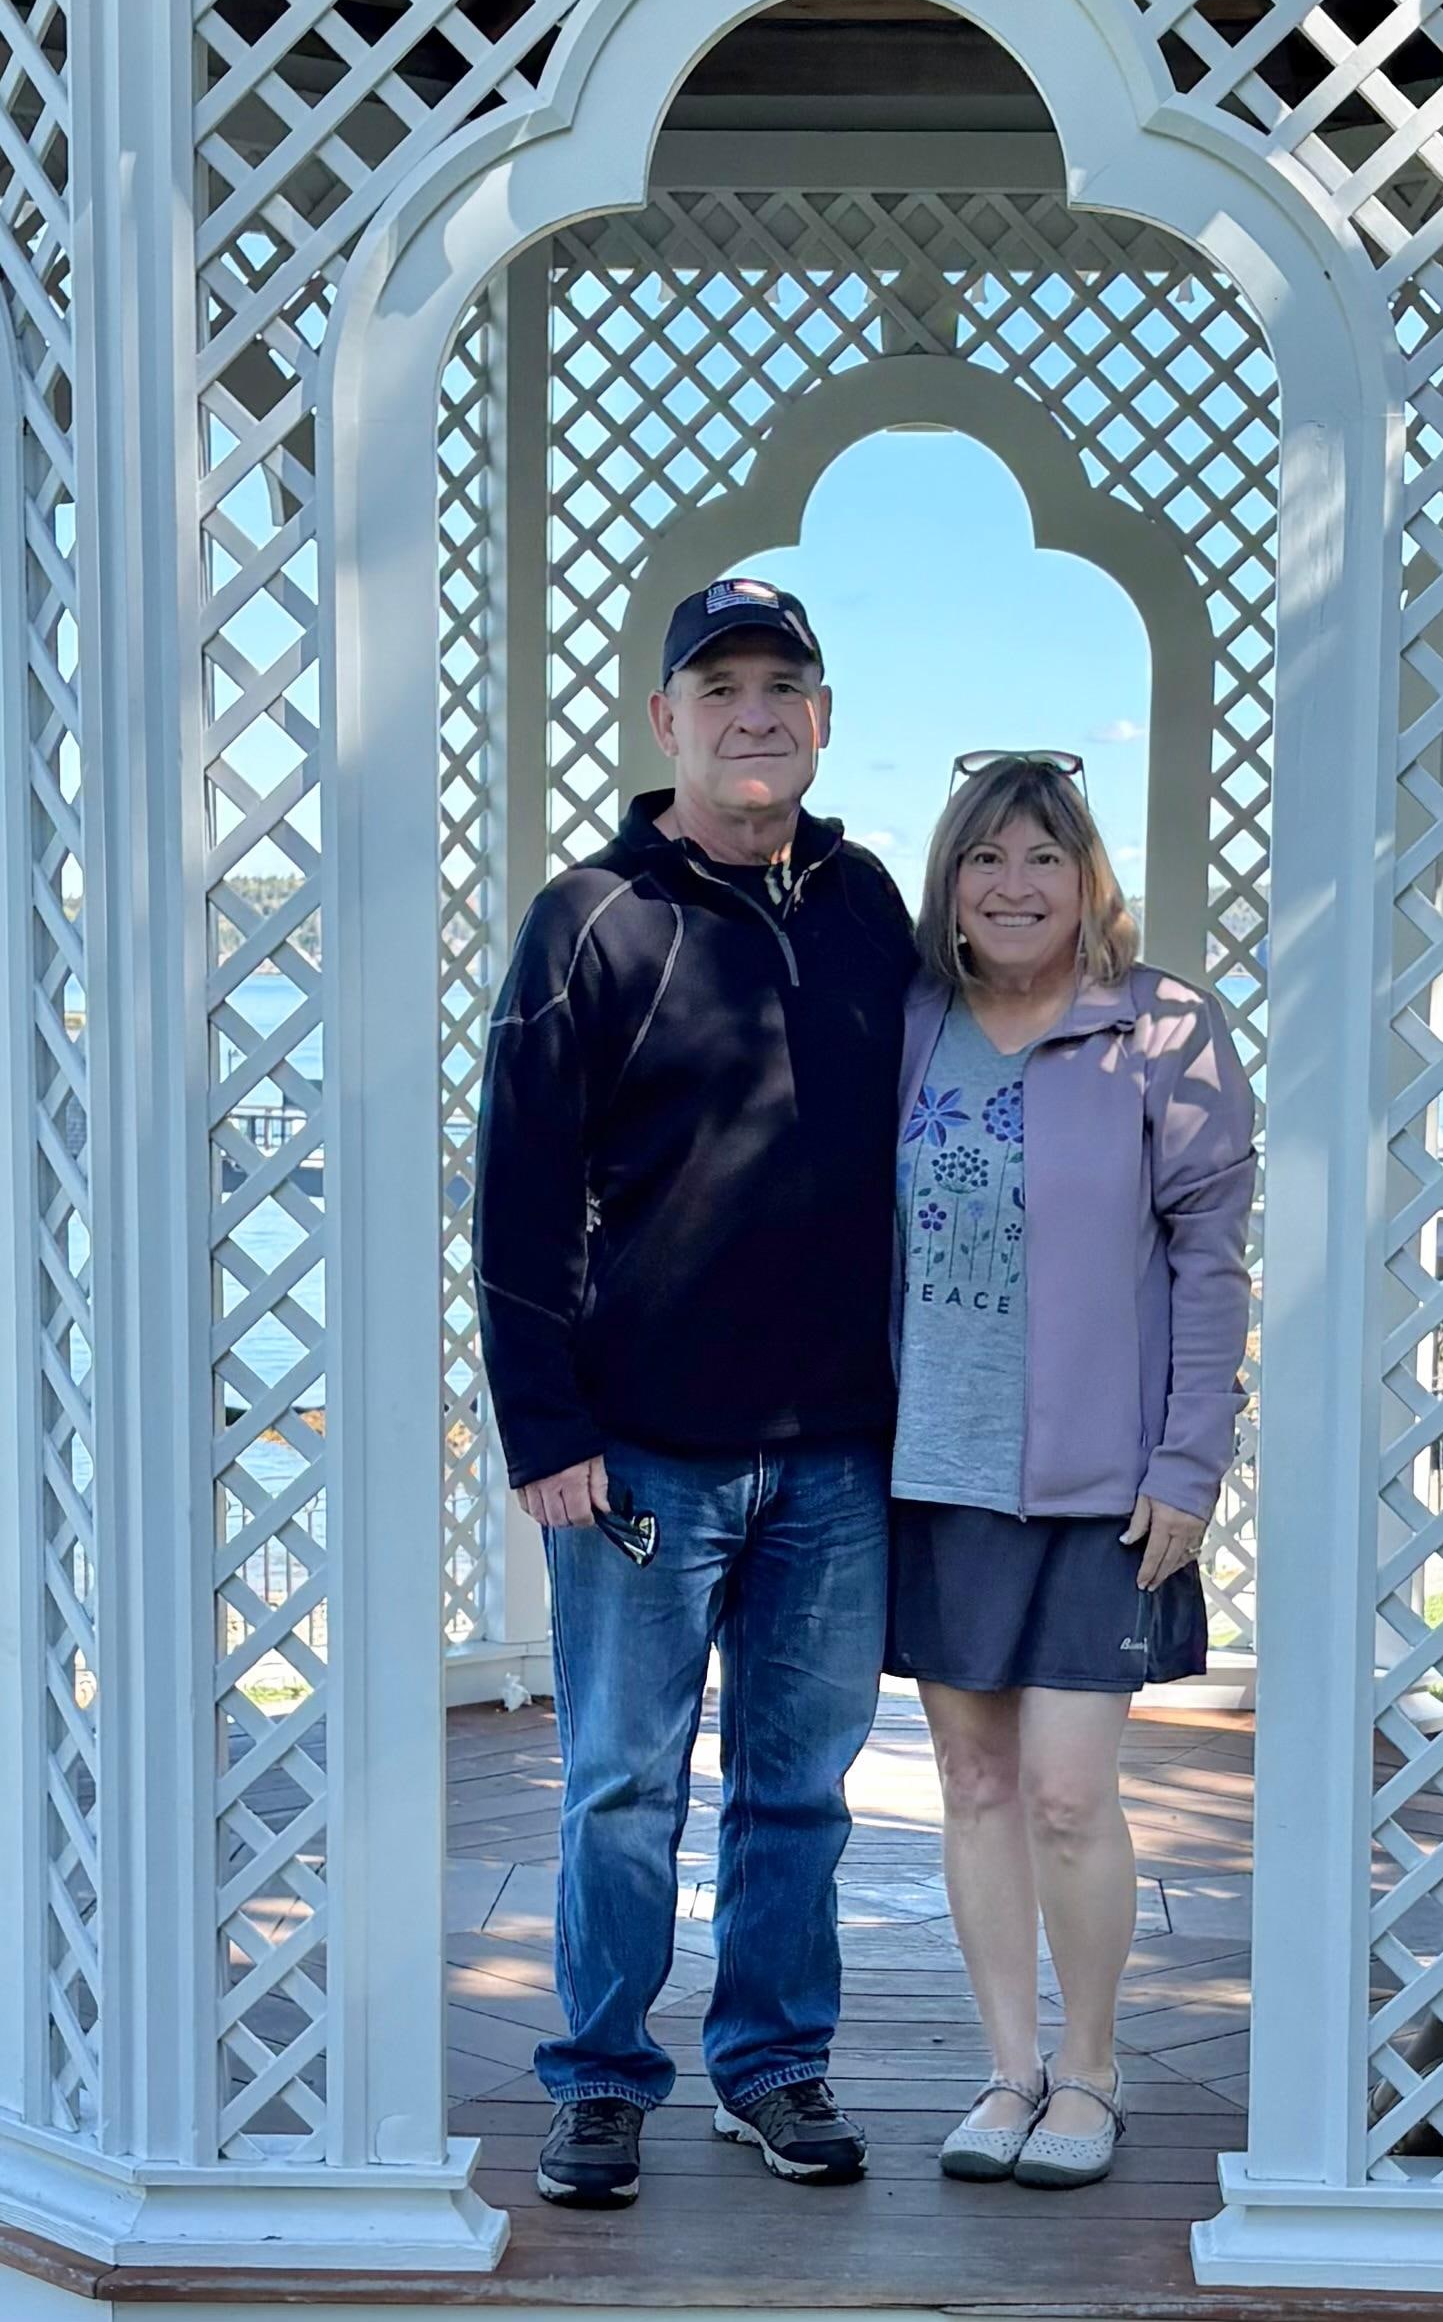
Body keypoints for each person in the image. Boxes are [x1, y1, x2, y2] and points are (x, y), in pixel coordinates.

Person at [473, 579, 916, 2209]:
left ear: (820, 714)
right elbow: (515, 1190)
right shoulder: (590, 916)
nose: (752, 711)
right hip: (638, 1454)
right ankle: (597, 2078)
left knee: (797, 1790)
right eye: (718, 684)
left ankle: (773, 2065)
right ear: (665, 718)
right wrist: (547, 1428)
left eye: (781, 683)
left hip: (837, 1456)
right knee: (619, 1785)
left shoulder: (872, 903)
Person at [887, 752, 1254, 2189]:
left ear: (1086, 875)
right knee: (969, 1783)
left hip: (1103, 1482)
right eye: (986, 858)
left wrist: (1189, 1457)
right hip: (933, 1466)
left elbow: (1213, 1264)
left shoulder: (1163, 1029)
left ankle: (1091, 2071)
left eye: (1043, 855)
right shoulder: (911, 1023)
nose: (1014, 883)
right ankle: (1006, 2071)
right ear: (951, 887)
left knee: (1061, 1789)